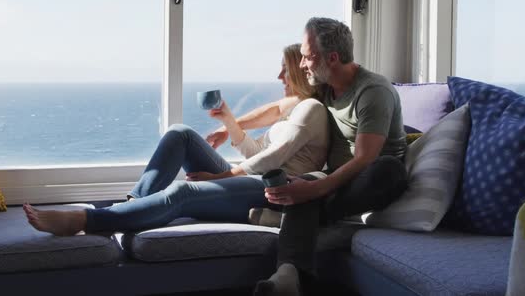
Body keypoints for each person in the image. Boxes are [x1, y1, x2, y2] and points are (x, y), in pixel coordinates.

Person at [23, 44, 330, 237]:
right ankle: (134, 207)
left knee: (182, 191)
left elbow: (270, 161)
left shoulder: (311, 110)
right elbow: (256, 150)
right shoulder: (293, 110)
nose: (280, 77)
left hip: (272, 190)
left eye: (286, 71)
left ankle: (83, 220)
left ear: (301, 74)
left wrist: (219, 176)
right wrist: (228, 123)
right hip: (254, 178)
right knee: (179, 133)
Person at [209, 18, 409, 296]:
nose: (302, 65)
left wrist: (313, 190)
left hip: (372, 179)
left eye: (307, 57)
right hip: (337, 180)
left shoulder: (373, 91)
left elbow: (365, 159)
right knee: (300, 184)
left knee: (388, 170)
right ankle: (287, 275)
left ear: (333, 58)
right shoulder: (325, 85)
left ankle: (285, 219)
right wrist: (230, 126)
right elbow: (277, 109)